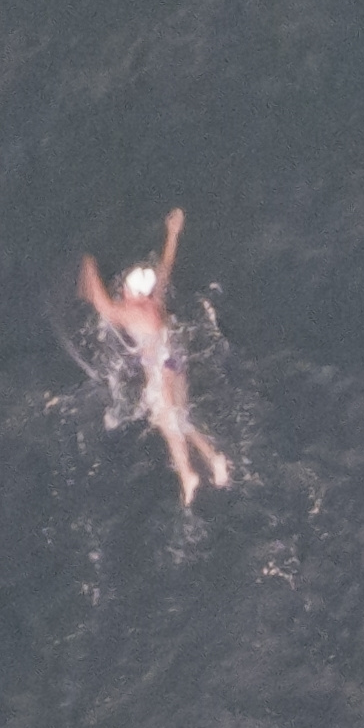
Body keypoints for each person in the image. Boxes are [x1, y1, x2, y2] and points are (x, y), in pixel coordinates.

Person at [76, 209, 234, 508]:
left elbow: (104, 307)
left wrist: (89, 266)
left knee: (165, 420)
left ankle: (189, 475)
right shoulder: (156, 302)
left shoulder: (132, 312)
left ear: (134, 294)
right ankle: (214, 458)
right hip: (175, 360)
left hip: (161, 367)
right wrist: (172, 232)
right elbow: (166, 266)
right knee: (180, 415)